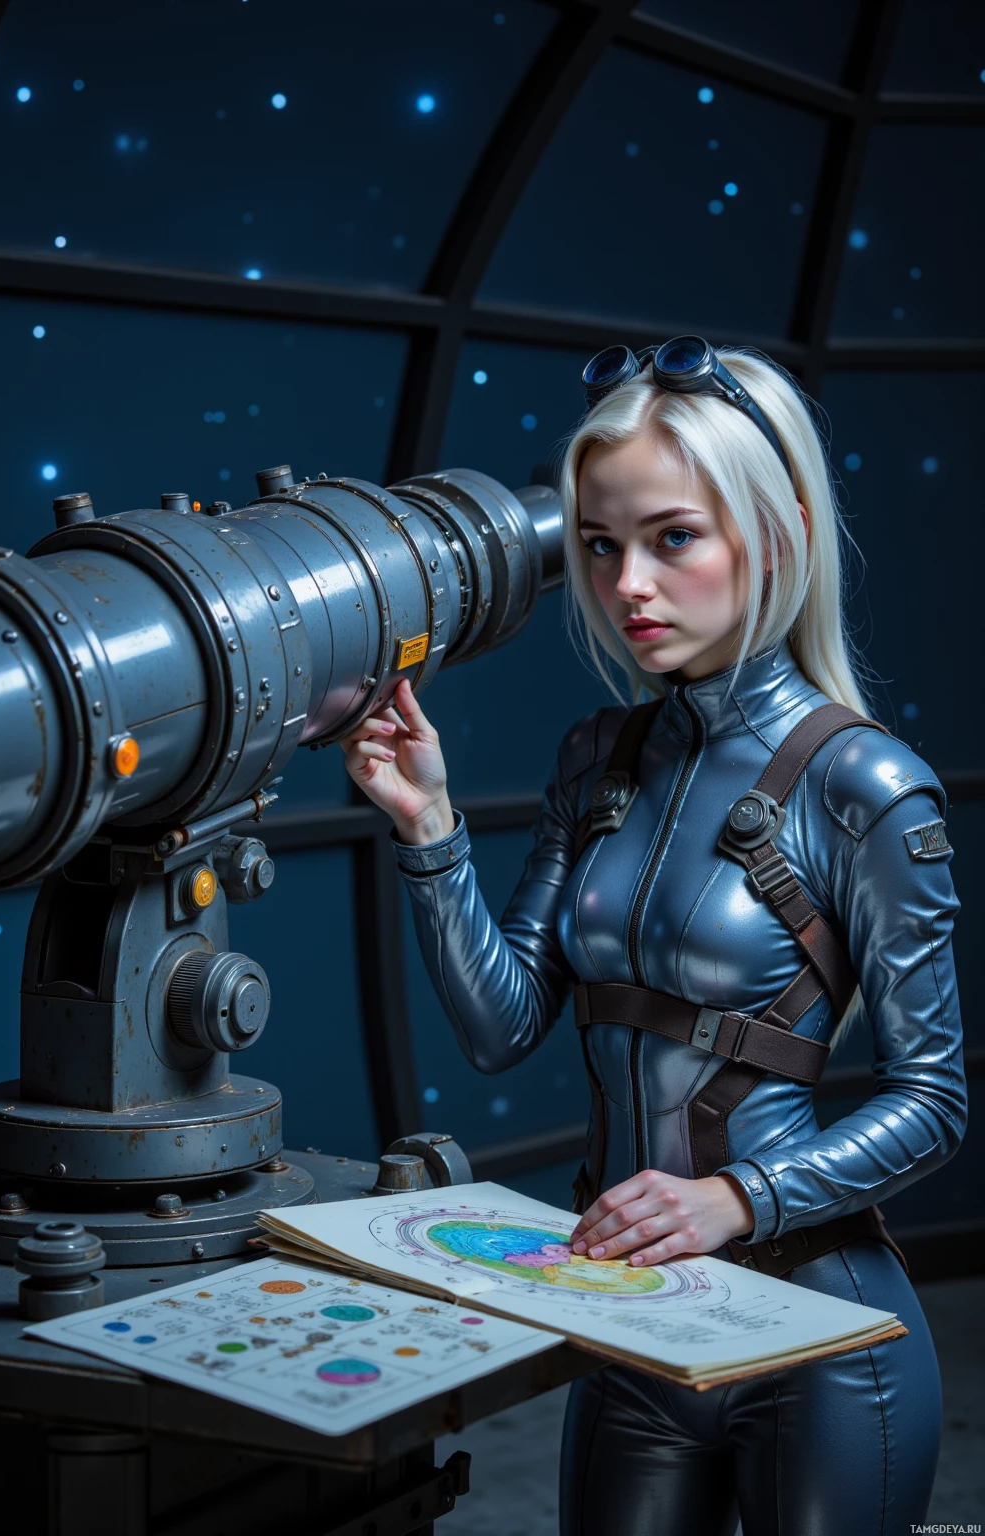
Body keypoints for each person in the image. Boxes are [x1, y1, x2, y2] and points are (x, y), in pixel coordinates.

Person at [339, 338, 967, 1535]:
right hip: (628, 1325)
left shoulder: (866, 784)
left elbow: (935, 1100)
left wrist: (735, 1197)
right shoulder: (598, 759)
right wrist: (430, 828)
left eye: (671, 537)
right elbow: (499, 1027)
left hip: (817, 1334)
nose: (628, 583)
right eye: (600, 544)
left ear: (771, 534)